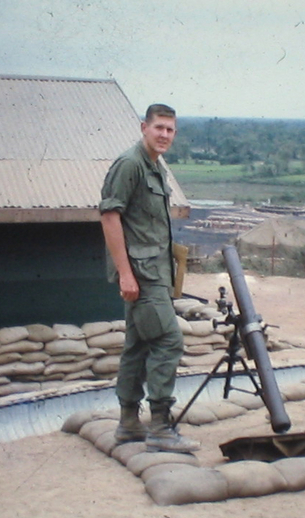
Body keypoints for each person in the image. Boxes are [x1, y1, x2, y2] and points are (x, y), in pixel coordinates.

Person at [99, 104, 200, 454]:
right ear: (144, 127)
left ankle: (128, 424)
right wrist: (126, 274)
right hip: (141, 275)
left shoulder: (155, 167)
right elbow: (110, 217)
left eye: (170, 130)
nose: (164, 135)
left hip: (154, 271)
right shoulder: (130, 164)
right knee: (169, 341)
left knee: (138, 346)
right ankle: (159, 427)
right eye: (159, 128)